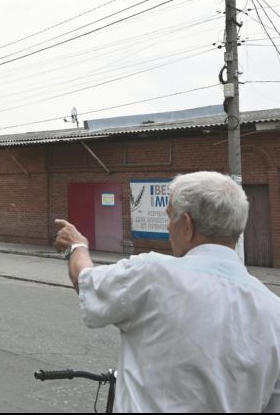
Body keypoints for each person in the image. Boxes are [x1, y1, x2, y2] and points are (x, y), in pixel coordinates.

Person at [54, 171, 280, 412]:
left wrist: (77, 246)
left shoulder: (152, 275)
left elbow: (86, 282)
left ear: (187, 225)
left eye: (171, 217)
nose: (168, 227)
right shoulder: (274, 311)